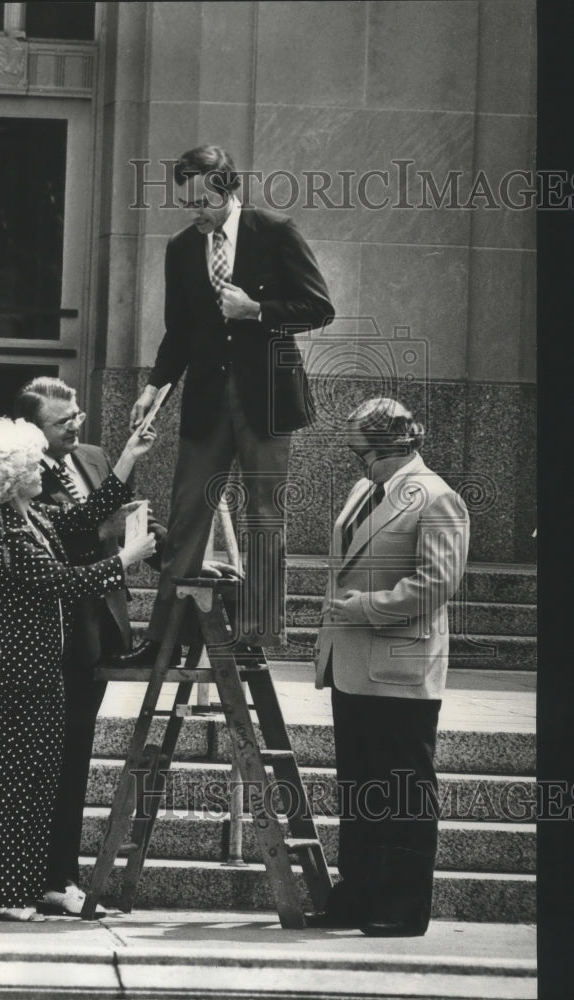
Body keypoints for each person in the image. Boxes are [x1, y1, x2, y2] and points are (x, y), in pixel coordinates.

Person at [13, 375, 238, 916]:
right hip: (54, 635)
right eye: (61, 423)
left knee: (75, 756)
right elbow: (58, 535)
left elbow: (126, 519)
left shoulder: (91, 457)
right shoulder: (20, 469)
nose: (74, 428)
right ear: (31, 429)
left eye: (76, 417)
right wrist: (108, 526)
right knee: (50, 763)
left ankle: (58, 876)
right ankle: (47, 877)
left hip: (100, 629)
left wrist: (176, 555)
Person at [118, 144, 334, 667]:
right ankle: (162, 639)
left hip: (267, 397)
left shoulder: (274, 231)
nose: (195, 213)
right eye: (186, 203)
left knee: (265, 514)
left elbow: (319, 307)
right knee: (187, 512)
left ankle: (256, 635)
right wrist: (154, 385)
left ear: (228, 190)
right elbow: (179, 330)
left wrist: (256, 310)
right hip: (206, 398)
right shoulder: (180, 248)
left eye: (203, 203)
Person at [0, 417, 157, 922]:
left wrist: (128, 457)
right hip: (24, 672)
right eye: (30, 467)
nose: (39, 472)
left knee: (37, 781)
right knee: (16, 781)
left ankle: (18, 886)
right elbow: (62, 581)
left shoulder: (35, 517)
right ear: (10, 480)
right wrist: (127, 559)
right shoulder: (6, 531)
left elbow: (85, 516)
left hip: (44, 668)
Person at [308, 398, 469, 936]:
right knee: (359, 789)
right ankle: (357, 896)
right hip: (351, 663)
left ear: (392, 447)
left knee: (403, 791)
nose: (358, 464)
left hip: (401, 671)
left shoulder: (438, 499)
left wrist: (366, 608)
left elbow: (437, 584)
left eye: (363, 454)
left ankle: (403, 907)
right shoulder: (364, 491)